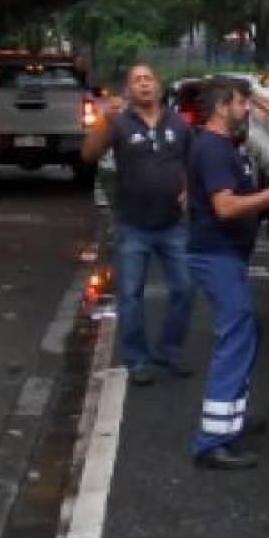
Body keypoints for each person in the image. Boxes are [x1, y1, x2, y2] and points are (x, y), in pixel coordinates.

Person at [187, 77, 269, 472]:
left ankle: (231, 418)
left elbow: (236, 198)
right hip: (216, 256)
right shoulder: (213, 150)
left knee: (246, 334)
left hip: (224, 256)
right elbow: (225, 207)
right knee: (236, 337)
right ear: (222, 107)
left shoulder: (222, 147)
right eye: (241, 103)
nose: (247, 110)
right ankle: (212, 442)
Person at [81, 62, 194, 387]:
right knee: (130, 296)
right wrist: (103, 118)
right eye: (136, 80)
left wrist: (189, 190)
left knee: (185, 288)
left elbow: (192, 162)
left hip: (173, 224)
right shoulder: (119, 123)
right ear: (129, 90)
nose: (144, 84)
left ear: (158, 86)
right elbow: (89, 154)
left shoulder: (178, 123)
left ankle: (169, 351)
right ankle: (137, 361)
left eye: (148, 78)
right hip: (132, 225)